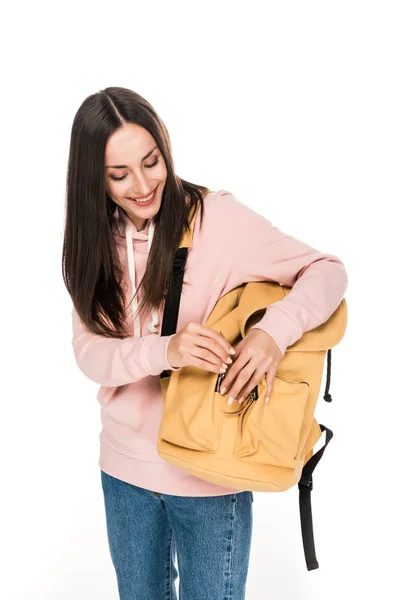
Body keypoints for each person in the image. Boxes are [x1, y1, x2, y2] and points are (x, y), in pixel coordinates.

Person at [62, 86, 348, 599]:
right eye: (119, 175)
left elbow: (326, 272)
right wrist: (165, 350)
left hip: (211, 469)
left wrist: (271, 333)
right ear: (93, 179)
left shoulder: (215, 218)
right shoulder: (91, 238)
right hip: (124, 469)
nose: (144, 184)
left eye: (151, 162)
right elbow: (90, 354)